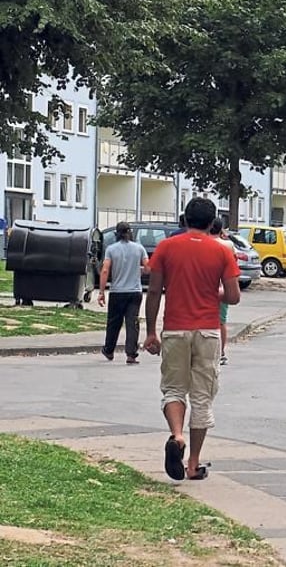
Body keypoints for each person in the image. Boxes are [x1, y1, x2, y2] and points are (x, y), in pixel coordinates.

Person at [143, 197, 241, 482]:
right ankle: (193, 464)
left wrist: (151, 331)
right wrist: (215, 294)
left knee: (173, 389)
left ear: (184, 220)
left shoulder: (165, 247)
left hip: (175, 328)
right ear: (213, 224)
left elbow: (153, 292)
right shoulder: (221, 251)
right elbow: (233, 296)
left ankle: (177, 435)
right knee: (202, 397)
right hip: (208, 330)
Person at [99, 222, 148, 364]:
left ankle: (109, 350)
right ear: (130, 232)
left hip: (117, 291)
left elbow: (105, 270)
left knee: (114, 322)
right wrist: (138, 270)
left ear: (117, 233)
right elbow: (148, 267)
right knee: (132, 322)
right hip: (135, 291)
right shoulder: (139, 248)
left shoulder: (111, 249)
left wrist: (101, 292)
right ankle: (131, 354)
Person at [209, 218, 235, 366]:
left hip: (206, 288)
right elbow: (233, 264)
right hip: (222, 287)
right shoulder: (228, 245)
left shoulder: (204, 243)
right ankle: (221, 352)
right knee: (221, 321)